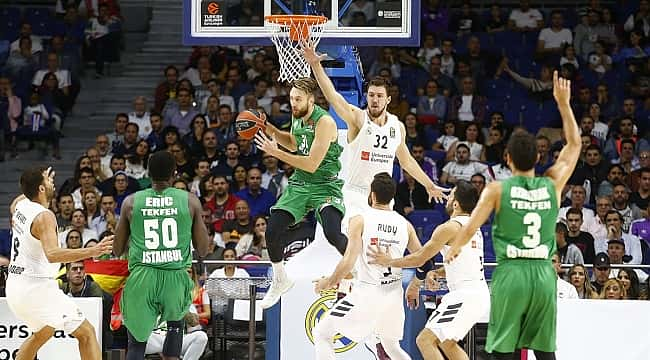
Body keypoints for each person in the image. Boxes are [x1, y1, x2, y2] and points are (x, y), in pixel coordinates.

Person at [445, 72, 581, 360]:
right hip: (544, 275)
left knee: (504, 350)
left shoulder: (497, 189)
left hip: (511, 274)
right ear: (538, 158)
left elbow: (471, 226)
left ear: (507, 159)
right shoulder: (552, 184)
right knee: (545, 352)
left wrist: (455, 247)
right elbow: (574, 146)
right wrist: (563, 104)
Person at [304, 43, 447, 222]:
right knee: (354, 246)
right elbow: (333, 96)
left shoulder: (397, 126)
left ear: (388, 99)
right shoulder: (358, 118)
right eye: (371, 95)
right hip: (356, 195)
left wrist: (429, 185)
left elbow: (407, 161)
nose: (374, 100)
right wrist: (316, 65)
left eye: (379, 96)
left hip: (383, 199)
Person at [252, 78, 348, 309]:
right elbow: (295, 144)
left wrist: (275, 153)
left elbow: (312, 163)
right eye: (291, 99)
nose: (293, 103)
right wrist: (270, 129)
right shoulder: (297, 117)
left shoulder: (324, 122)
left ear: (311, 100)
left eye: (298, 99)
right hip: (301, 185)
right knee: (272, 229)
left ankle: (360, 272)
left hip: (325, 184)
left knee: (333, 233)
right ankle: (280, 279)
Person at [368, 180, 489, 360]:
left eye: (451, 195)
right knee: (447, 343)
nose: (447, 198)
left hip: (465, 295)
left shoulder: (449, 228)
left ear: (456, 203)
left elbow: (420, 257)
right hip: (476, 294)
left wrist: (389, 261)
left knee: (425, 340)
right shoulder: (473, 228)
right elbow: (462, 265)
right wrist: (435, 272)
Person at [6, 166, 113, 360]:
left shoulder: (21, 206)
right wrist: (94, 250)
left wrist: (38, 181)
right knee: (87, 333)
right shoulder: (44, 216)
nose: (51, 182)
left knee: (43, 332)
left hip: (15, 287)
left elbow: (15, 202)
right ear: (40, 189)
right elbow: (53, 254)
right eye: (47, 181)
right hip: (36, 288)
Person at [312, 173, 421, 360]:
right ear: (392, 198)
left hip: (367, 294)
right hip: (393, 297)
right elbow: (423, 260)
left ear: (372, 195)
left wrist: (327, 282)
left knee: (322, 333)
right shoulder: (405, 225)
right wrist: (415, 285)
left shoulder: (360, 219)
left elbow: (348, 261)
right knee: (392, 347)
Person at [113, 151, 210, 360]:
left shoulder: (131, 202)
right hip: (174, 276)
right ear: (174, 174)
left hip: (143, 276)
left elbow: (117, 248)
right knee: (175, 328)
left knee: (137, 344)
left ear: (148, 173)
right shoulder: (190, 201)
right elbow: (203, 249)